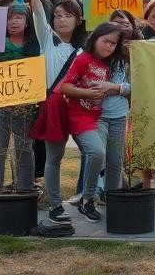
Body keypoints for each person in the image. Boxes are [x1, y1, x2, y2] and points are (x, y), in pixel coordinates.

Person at [29, 0, 87, 222]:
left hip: (79, 106)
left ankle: (88, 197)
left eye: (68, 16)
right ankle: (55, 205)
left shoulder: (85, 49)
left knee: (94, 152)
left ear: (78, 20)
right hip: (53, 104)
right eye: (58, 16)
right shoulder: (46, 40)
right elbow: (37, 9)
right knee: (54, 158)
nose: (61, 20)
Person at [57, 22, 125, 222]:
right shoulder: (83, 59)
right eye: (106, 41)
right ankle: (87, 199)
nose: (109, 46)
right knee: (96, 153)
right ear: (95, 38)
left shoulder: (106, 65)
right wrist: (88, 93)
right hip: (80, 117)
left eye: (113, 44)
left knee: (113, 160)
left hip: (97, 116)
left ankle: (108, 202)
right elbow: (65, 87)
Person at [0, 3, 40, 195]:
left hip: (25, 107)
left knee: (25, 148)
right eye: (9, 18)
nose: (13, 22)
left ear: (27, 21)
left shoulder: (35, 46)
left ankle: (25, 190)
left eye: (18, 17)